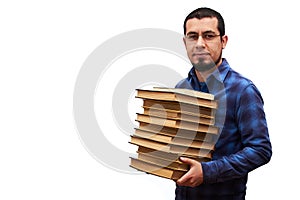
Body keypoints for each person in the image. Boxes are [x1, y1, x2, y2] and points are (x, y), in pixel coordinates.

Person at [174, 7, 272, 199]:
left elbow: (260, 150)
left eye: (209, 36)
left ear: (223, 41)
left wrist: (207, 172)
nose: (200, 44)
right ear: (185, 42)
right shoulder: (180, 88)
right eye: (193, 36)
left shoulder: (243, 90)